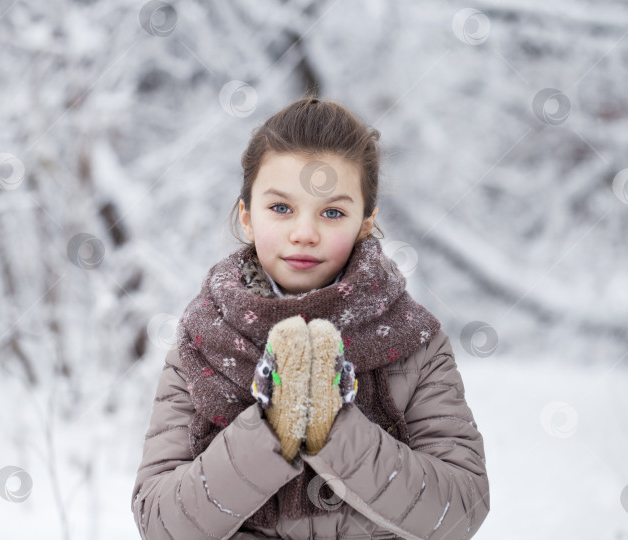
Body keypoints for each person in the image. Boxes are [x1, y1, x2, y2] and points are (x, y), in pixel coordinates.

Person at [131, 96, 490, 539]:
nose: (304, 233)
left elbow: (461, 511)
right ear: (247, 216)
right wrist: (270, 431)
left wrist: (335, 429)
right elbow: (160, 522)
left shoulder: (414, 341)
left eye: (333, 212)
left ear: (365, 221)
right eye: (281, 208)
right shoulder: (204, 338)